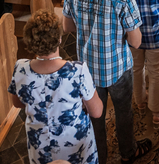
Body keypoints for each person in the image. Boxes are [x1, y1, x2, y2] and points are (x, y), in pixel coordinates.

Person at [63, 0, 152, 164]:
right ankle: (128, 151)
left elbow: (68, 27)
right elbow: (135, 42)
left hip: (87, 68)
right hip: (117, 68)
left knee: (94, 116)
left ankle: (99, 157)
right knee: (124, 112)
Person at [9, 10, 102, 164]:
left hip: (40, 145)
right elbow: (97, 112)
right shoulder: (77, 70)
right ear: (59, 39)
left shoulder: (20, 68)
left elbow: (17, 102)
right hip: (75, 144)